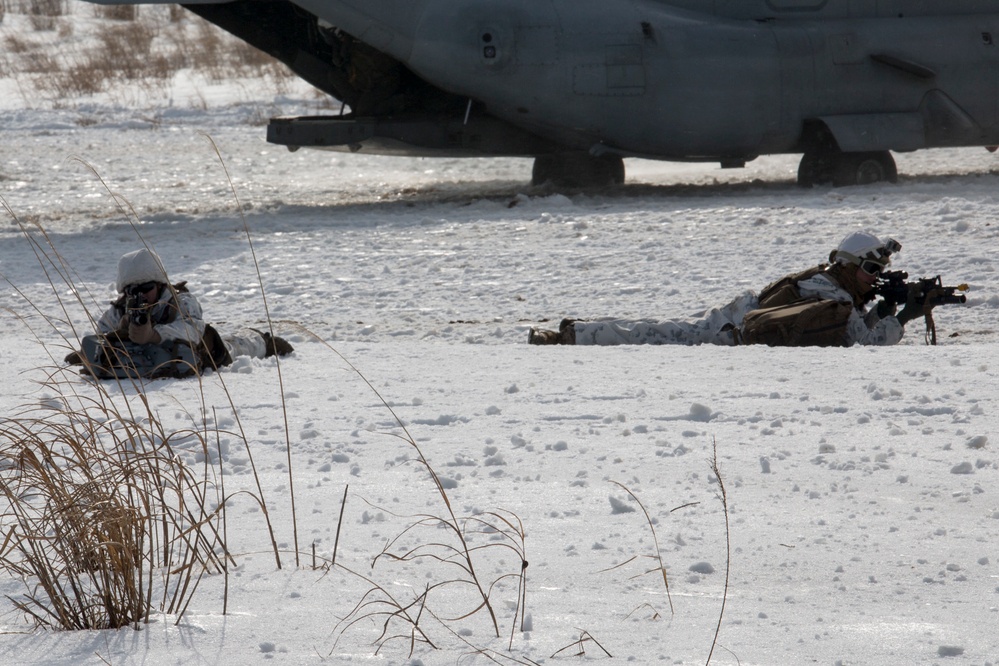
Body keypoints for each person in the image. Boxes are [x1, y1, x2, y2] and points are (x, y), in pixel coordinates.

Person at [528, 231, 932, 348]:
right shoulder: (837, 294)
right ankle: (569, 337)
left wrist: (880, 309)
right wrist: (901, 318)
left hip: (738, 317)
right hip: (731, 333)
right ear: (849, 265)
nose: (875, 277)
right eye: (871, 269)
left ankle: (575, 332)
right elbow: (864, 343)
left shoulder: (826, 280)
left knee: (657, 329)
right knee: (654, 335)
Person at [65, 248, 293, 379]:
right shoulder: (119, 311)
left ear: (160, 284)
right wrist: (118, 334)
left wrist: (154, 334)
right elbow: (101, 336)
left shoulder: (179, 300)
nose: (141, 297)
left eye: (147, 289)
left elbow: (193, 330)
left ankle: (263, 340)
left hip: (205, 354)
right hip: (155, 362)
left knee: (238, 346)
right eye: (133, 292)